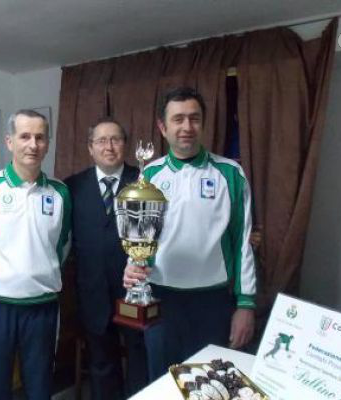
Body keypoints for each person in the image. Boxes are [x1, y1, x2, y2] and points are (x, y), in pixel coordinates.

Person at [123, 87, 257, 377]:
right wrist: (133, 267)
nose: (186, 127)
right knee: (163, 385)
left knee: (210, 386)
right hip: (160, 300)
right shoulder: (149, 175)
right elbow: (140, 240)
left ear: (203, 123)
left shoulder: (230, 173)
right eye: (178, 119)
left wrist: (245, 305)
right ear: (163, 127)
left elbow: (243, 242)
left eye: (194, 118)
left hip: (213, 303)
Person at [0, 109, 71, 400]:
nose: (33, 145)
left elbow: (62, 245)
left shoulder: (60, 193)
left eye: (40, 137)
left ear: (47, 143)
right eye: (25, 136)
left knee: (40, 390)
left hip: (43, 308)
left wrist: (39, 272)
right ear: (9, 141)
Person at [65, 118, 148, 399]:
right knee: (101, 362)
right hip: (92, 291)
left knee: (140, 357)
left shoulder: (144, 181)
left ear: (125, 145)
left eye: (116, 139)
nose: (109, 146)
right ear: (90, 148)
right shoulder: (72, 187)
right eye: (101, 140)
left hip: (136, 291)